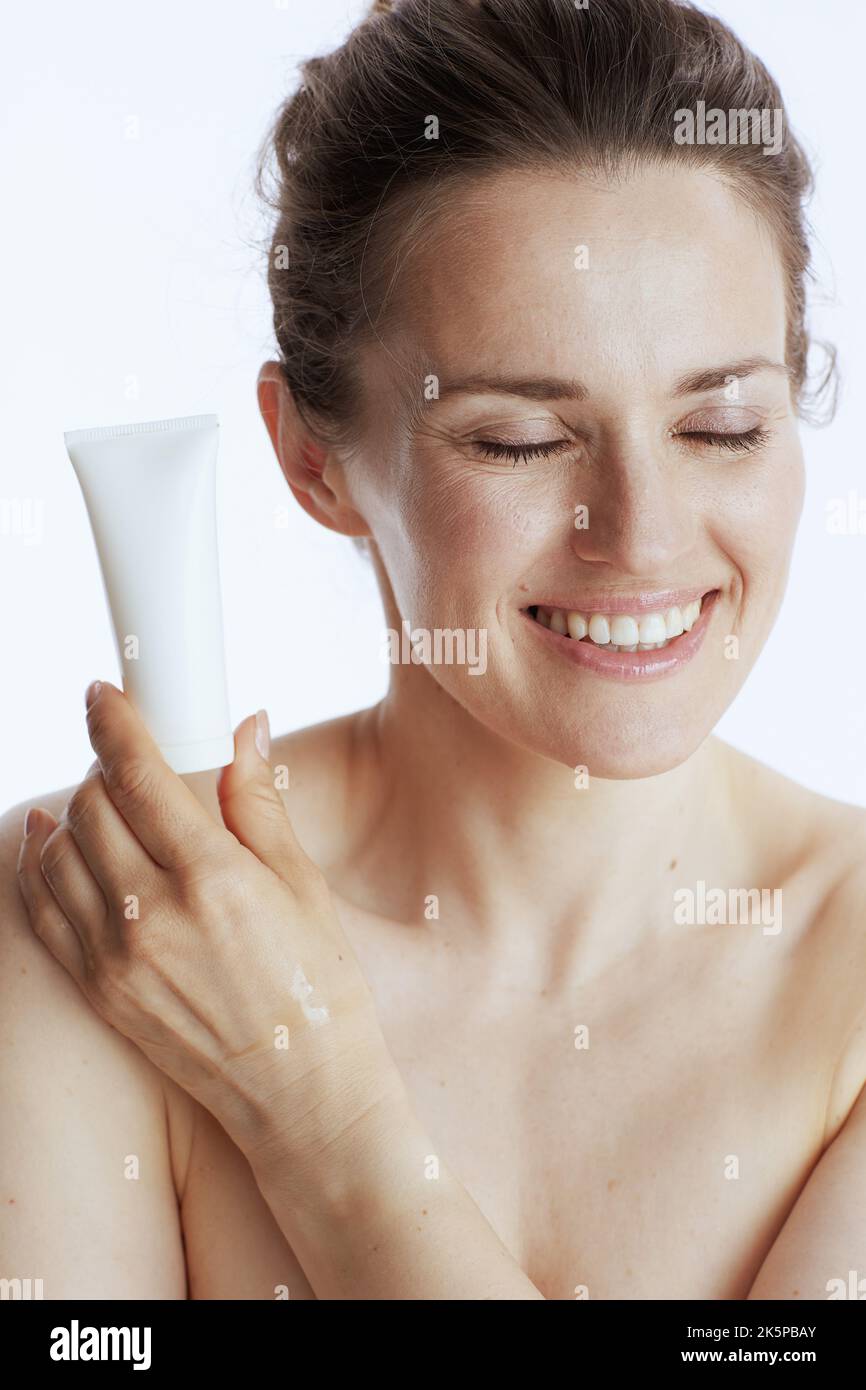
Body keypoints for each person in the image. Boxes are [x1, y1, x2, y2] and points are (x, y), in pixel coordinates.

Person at [2, 0, 864, 1301]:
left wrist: (314, 1101)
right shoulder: (114, 923)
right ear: (314, 458)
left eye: (722, 424)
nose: (636, 535)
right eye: (518, 440)